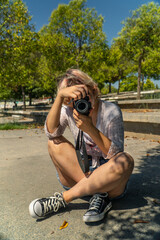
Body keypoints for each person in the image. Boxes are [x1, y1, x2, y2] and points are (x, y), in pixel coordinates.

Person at [29, 69, 134, 223]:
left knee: (125, 160)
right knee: (54, 143)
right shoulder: (69, 109)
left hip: (108, 175)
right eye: (72, 98)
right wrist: (59, 97)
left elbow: (115, 154)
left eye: (84, 96)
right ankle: (99, 196)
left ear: (94, 90)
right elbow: (51, 133)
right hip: (82, 171)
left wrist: (90, 128)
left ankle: (64, 199)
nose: (79, 102)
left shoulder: (111, 111)